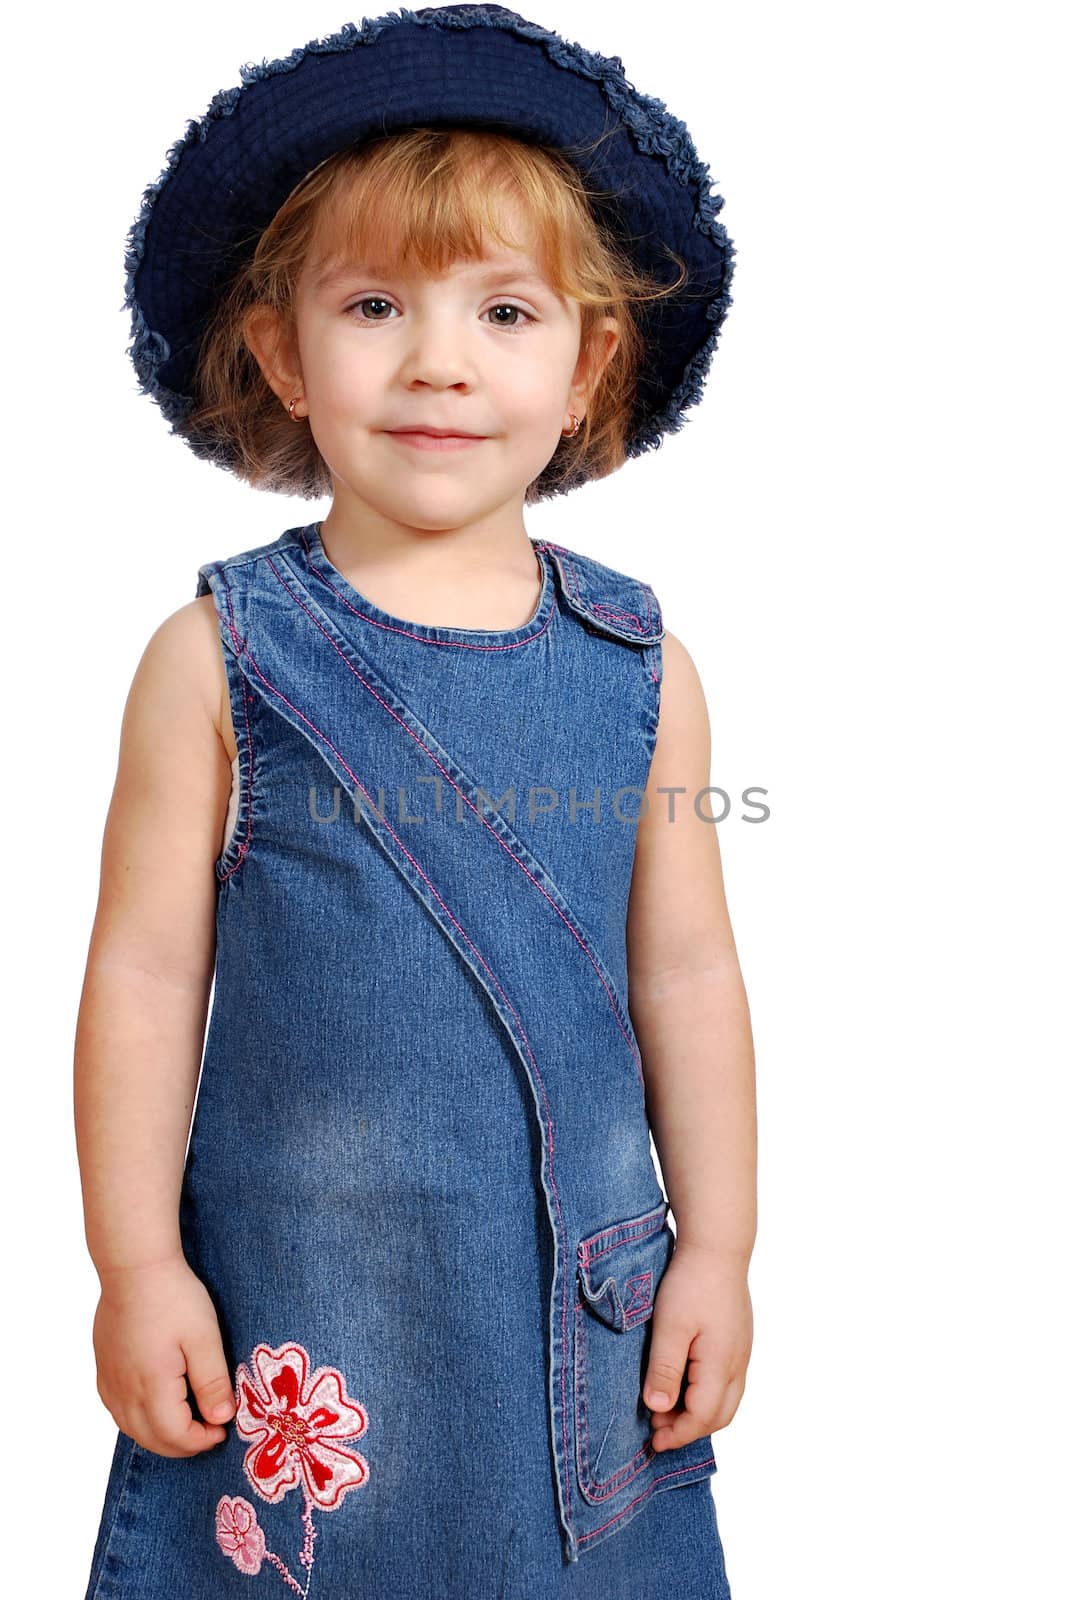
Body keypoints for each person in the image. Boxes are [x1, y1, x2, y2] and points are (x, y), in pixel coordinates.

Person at [75, 6, 756, 1596]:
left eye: (505, 311)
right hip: (299, 1323)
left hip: (579, 1330)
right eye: (376, 304)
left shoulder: (642, 667)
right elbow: (143, 976)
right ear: (279, 354)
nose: (440, 360)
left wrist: (720, 1244)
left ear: (591, 361)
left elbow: (691, 976)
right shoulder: (213, 660)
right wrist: (133, 1264)